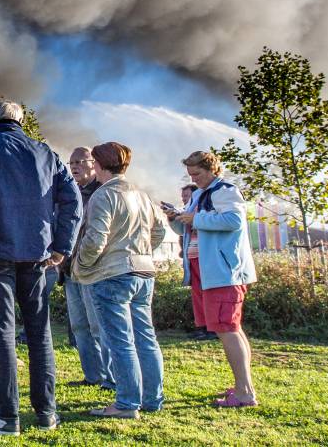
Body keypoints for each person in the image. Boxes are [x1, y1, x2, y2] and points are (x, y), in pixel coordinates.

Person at [0, 100, 82, 435]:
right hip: (39, 255)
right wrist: (61, 246)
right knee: (40, 333)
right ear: (21, 120)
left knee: (2, 333)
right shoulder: (45, 153)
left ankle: (7, 416)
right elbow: (73, 200)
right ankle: (47, 414)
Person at [73, 142, 173, 419]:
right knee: (146, 338)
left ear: (99, 164)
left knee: (120, 341)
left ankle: (127, 403)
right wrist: (142, 251)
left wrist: (80, 266)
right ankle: (152, 399)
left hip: (112, 275)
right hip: (143, 272)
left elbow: (95, 240)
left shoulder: (103, 196)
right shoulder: (141, 195)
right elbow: (160, 230)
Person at [176, 150, 259, 407]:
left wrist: (196, 217)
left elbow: (233, 220)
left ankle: (245, 393)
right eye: (190, 174)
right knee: (230, 328)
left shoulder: (225, 190)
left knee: (227, 328)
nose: (194, 179)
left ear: (212, 169)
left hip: (223, 272)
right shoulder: (201, 194)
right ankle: (242, 386)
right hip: (204, 270)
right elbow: (191, 225)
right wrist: (176, 217)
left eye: (197, 174)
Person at [61, 147, 115, 391]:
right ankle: (92, 375)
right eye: (71, 162)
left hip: (93, 269)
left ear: (94, 164)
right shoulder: (69, 192)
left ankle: (111, 378)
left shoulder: (102, 193)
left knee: (97, 325)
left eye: (80, 161)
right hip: (70, 269)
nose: (75, 166)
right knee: (80, 326)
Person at [166, 183, 214, 340]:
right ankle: (202, 326)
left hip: (205, 255)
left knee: (208, 292)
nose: (185, 199)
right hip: (192, 256)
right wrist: (172, 217)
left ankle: (212, 327)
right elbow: (181, 230)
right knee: (197, 293)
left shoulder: (205, 206)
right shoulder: (188, 211)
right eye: (183, 197)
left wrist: (191, 218)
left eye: (187, 196)